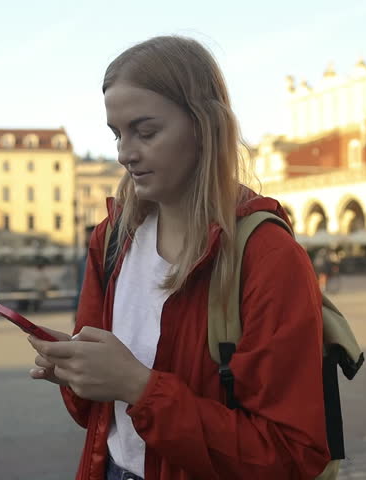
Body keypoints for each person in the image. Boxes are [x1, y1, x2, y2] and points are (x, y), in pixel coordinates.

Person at [26, 36, 329, 480]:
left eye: (146, 132)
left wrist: (139, 387)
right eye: (117, 134)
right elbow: (97, 418)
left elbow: (290, 455)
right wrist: (78, 373)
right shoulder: (112, 240)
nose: (125, 153)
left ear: (205, 126)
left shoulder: (267, 256)